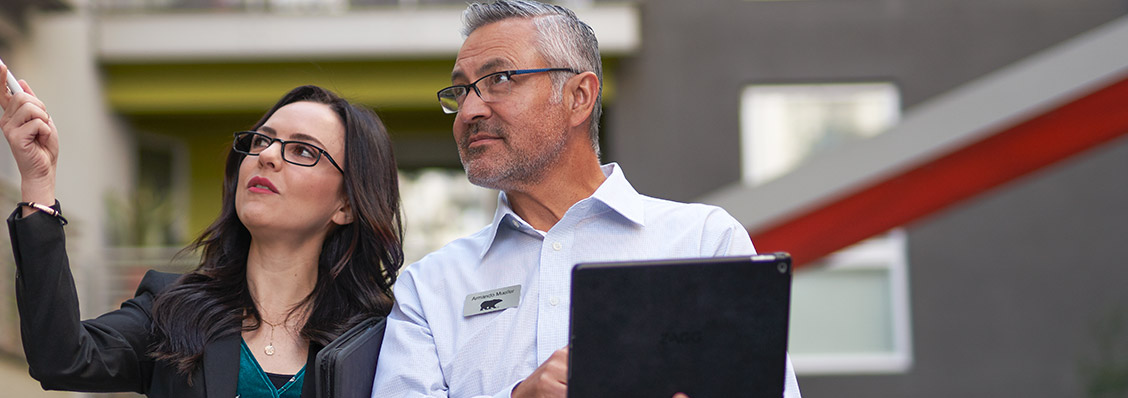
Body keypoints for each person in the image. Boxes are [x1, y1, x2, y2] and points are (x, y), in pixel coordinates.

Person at [370, 1, 801, 397]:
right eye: (461, 91)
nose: (469, 112)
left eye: (498, 80)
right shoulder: (428, 288)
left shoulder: (706, 243)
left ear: (578, 97)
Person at [1, 77, 404, 398]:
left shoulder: (379, 336)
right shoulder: (173, 309)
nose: (266, 155)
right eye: (262, 140)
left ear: (346, 206)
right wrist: (38, 183)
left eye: (302, 151)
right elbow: (62, 359)